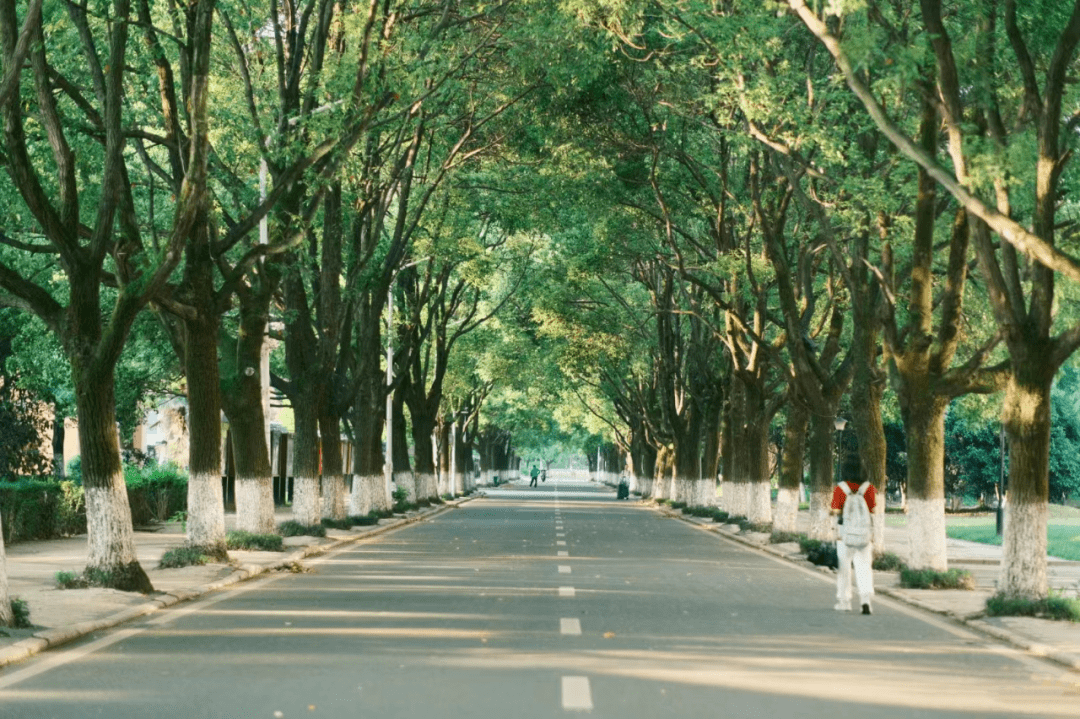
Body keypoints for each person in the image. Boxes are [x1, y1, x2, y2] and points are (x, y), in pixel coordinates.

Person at [831, 456, 876, 615]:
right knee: (864, 567)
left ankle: (844, 601)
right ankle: (865, 601)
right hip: (864, 535)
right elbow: (872, 511)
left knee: (844, 568)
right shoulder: (868, 488)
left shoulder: (840, 488)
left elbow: (835, 511)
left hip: (844, 535)